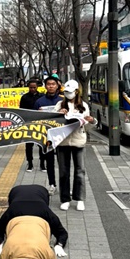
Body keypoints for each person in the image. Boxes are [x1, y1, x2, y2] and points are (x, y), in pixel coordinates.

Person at [55, 80, 97, 212]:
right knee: (63, 171)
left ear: (76, 92)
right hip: (62, 141)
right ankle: (65, 199)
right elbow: (53, 123)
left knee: (80, 171)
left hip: (78, 141)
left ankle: (80, 199)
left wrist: (91, 121)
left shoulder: (83, 105)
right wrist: (59, 115)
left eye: (70, 92)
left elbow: (88, 126)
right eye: (66, 92)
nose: (68, 94)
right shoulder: (59, 104)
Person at [0, 184, 68, 259]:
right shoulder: (13, 211)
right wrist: (59, 244)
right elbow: (62, 233)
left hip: (35, 192)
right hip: (19, 193)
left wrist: (2, 244)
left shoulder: (44, 211)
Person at [34, 76, 64, 195]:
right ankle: (52, 184)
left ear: (57, 86)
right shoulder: (39, 102)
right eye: (48, 84)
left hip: (62, 135)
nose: (51, 86)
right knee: (49, 161)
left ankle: (64, 185)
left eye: (53, 84)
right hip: (46, 136)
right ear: (45, 86)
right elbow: (33, 120)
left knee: (63, 162)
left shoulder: (63, 100)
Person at [19, 80, 42, 172]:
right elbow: (21, 111)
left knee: (41, 144)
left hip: (40, 123)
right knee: (29, 145)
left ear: (37, 87)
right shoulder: (24, 97)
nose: (32, 89)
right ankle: (30, 163)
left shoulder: (42, 97)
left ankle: (42, 163)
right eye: (31, 87)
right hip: (28, 123)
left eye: (34, 87)